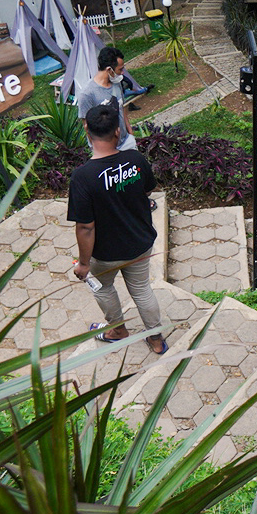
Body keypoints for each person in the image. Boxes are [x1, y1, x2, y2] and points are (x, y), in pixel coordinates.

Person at [68, 103, 167, 355]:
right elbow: (146, 191)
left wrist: (83, 263)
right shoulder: (135, 159)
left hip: (107, 254)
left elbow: (85, 227)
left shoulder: (83, 177)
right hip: (140, 244)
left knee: (103, 287)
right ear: (117, 132)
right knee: (142, 290)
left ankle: (118, 330)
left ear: (86, 129)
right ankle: (155, 339)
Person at [74, 45, 137, 151]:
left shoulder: (116, 83)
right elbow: (86, 125)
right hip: (107, 150)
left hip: (126, 142)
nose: (122, 73)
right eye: (120, 69)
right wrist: (98, 150)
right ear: (109, 70)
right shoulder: (87, 94)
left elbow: (122, 107)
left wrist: (129, 130)